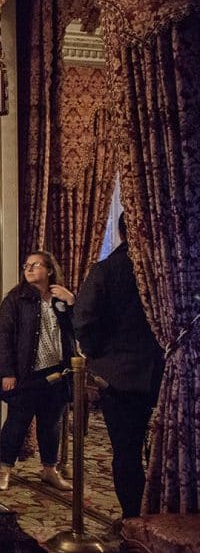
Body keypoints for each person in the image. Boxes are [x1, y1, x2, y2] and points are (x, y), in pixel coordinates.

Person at [74, 214, 164, 518]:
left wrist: (99, 357)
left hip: (120, 377)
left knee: (126, 453)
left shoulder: (107, 270)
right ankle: (161, 514)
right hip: (166, 373)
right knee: (162, 453)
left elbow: (83, 321)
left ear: (122, 232)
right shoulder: (165, 267)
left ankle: (132, 519)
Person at [0, 250, 76, 492]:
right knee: (16, 423)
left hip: (58, 374)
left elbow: (78, 329)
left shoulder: (61, 298)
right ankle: (5, 469)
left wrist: (71, 302)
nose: (28, 269)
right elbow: (3, 338)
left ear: (49, 270)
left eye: (35, 265)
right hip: (26, 374)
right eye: (26, 265)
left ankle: (49, 469)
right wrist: (7, 372)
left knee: (51, 424)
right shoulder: (15, 299)